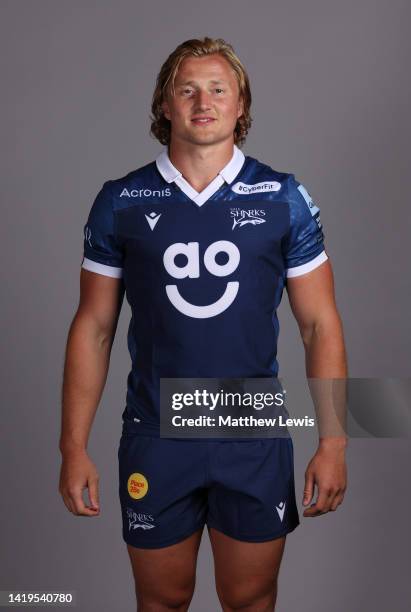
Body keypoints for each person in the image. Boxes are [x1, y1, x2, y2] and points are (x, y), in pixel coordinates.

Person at [59, 37, 348, 611]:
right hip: (156, 429)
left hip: (252, 428)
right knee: (161, 600)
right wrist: (72, 446)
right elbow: (94, 328)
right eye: (186, 89)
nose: (203, 101)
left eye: (219, 88)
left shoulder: (283, 198)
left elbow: (320, 325)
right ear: (163, 104)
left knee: (251, 598)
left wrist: (335, 441)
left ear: (242, 106)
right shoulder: (121, 200)